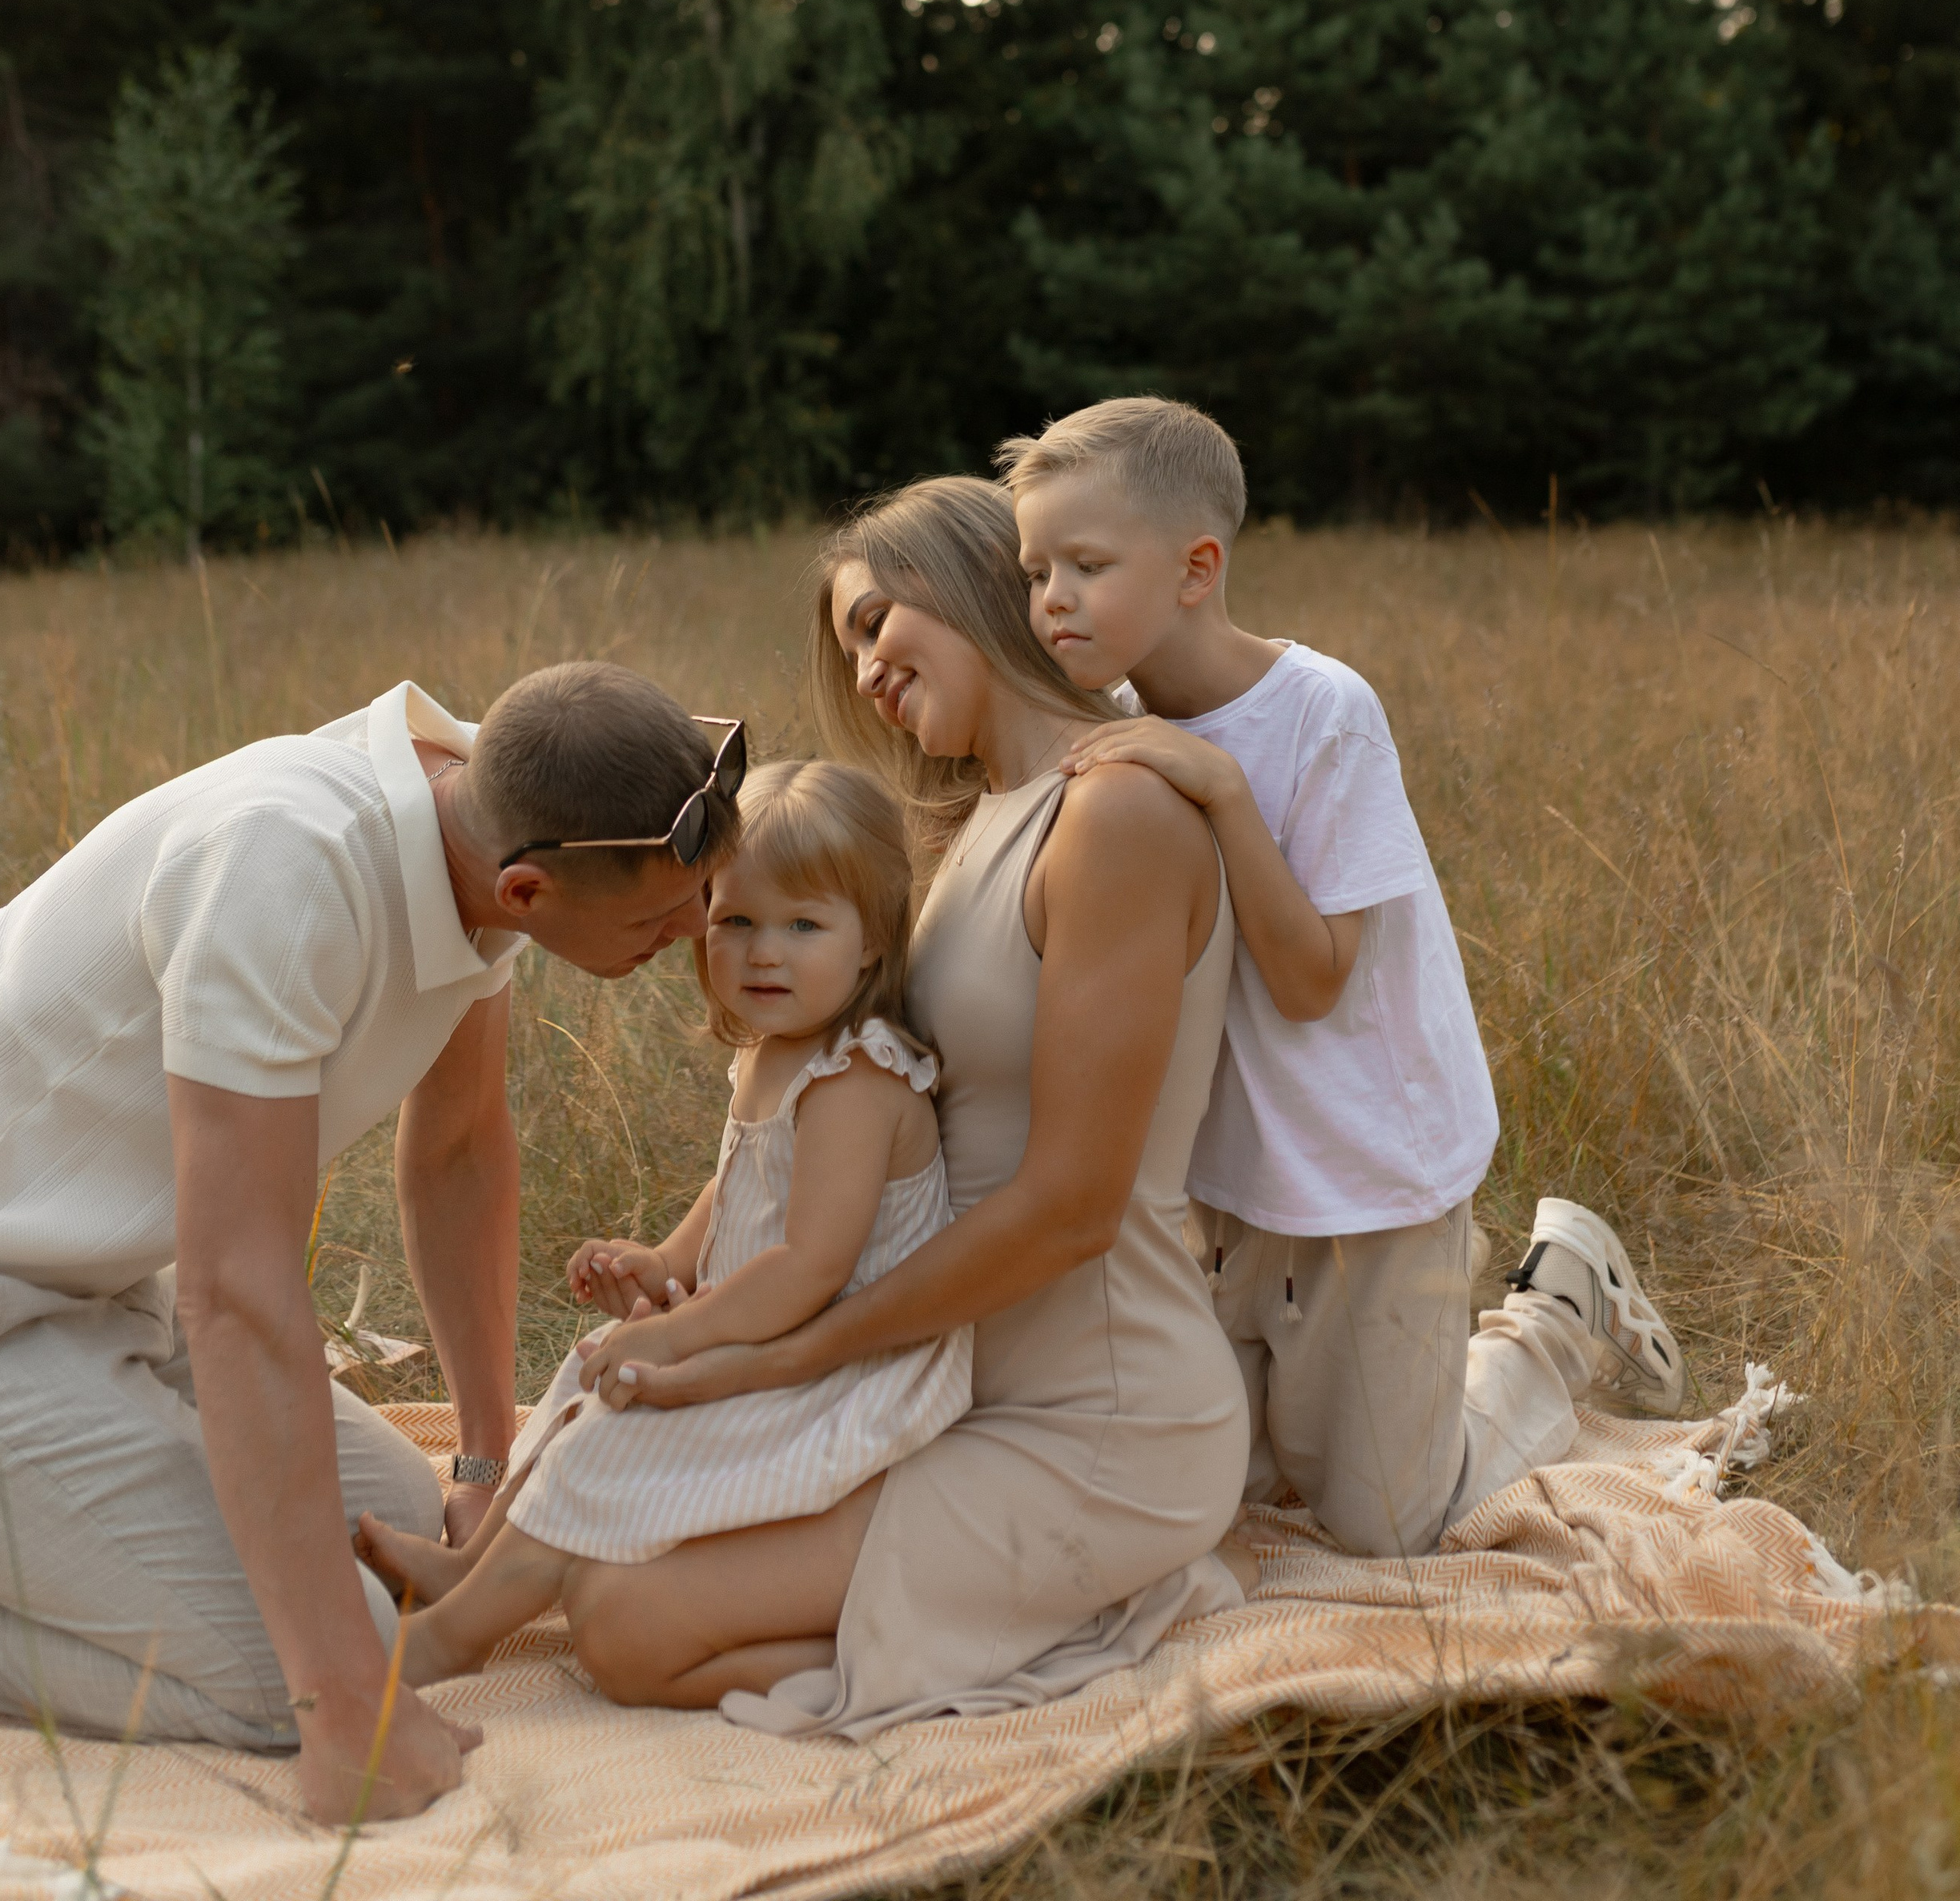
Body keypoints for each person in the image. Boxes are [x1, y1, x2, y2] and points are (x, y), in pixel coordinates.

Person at [0, 660, 741, 1823]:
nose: (699, 928)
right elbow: (238, 1292)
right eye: (662, 916)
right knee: (299, 1675)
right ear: (525, 892)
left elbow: (458, 1149)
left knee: (388, 1535)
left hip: (80, 1289)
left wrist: (484, 1468)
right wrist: (342, 1705)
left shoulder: (488, 803)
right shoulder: (287, 875)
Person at [575, 475, 1251, 1734]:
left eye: (877, 622)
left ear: (981, 582)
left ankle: (1093, 1600)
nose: (866, 670)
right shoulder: (977, 826)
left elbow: (1073, 1210)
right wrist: (697, 1285)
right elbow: (842, 1123)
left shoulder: (1115, 816)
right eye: (849, 648)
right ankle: (984, 1611)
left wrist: (787, 1354)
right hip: (933, 1386)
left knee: (627, 1629)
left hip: (1098, 1418)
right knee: (596, 1564)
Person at [999, 395, 1688, 1562]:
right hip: (1230, 1179)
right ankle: (1370, 1384)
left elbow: (1314, 981)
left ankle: (1554, 1312)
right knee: (1222, 1483)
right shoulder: (1105, 722)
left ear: (1196, 568)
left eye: (1087, 565)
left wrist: (1220, 789)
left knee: (1386, 1520)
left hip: (1366, 1168)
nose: (1051, 597)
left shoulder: (1321, 712)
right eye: (1034, 571)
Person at [354, 758, 974, 1700]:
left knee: (622, 1423)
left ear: (873, 943)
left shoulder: (857, 1079)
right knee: (588, 1374)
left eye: (804, 926)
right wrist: (662, 1264)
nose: (765, 954)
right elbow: (736, 1191)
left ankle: (454, 1638)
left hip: (842, 1371)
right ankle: (475, 1565)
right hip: (773, 1330)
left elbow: (810, 1267)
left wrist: (679, 1334)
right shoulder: (777, 1052)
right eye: (737, 922)